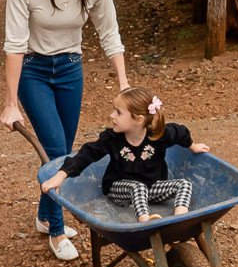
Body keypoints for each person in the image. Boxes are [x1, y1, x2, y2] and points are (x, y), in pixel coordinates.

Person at [0, 0, 130, 261]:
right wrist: (10, 103)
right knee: (58, 150)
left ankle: (44, 215)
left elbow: (109, 32)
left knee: (62, 150)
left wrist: (124, 83)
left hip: (71, 69)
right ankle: (56, 230)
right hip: (33, 71)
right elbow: (14, 43)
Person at [40, 87, 210, 223]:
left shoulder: (159, 135)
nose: (112, 115)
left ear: (138, 120)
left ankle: (179, 218)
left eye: (118, 112)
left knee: (184, 184)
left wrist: (193, 146)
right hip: (119, 189)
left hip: (151, 188)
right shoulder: (112, 139)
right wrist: (61, 176)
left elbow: (181, 132)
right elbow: (86, 154)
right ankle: (146, 222)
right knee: (138, 187)